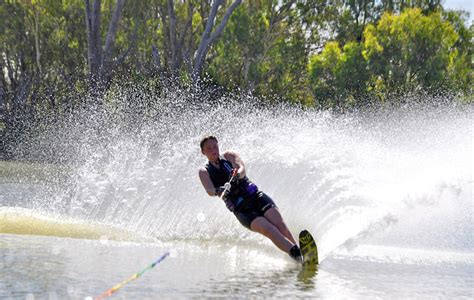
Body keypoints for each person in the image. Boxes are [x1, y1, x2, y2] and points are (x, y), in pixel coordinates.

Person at [198, 135, 302, 262]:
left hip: (255, 196)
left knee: (280, 226)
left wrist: (237, 174)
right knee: (269, 229)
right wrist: (218, 191)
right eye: (209, 148)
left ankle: (299, 253)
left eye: (215, 146)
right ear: (203, 152)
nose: (213, 150)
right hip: (241, 209)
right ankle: (297, 255)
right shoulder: (204, 171)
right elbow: (209, 190)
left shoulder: (228, 156)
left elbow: (241, 168)